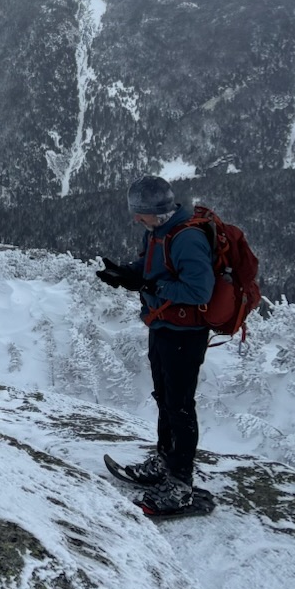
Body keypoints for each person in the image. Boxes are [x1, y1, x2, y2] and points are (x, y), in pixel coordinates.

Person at [94, 174, 216, 515]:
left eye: (140, 213)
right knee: (164, 398)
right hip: (162, 326)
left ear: (159, 210)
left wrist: (149, 285)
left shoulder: (187, 238)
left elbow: (198, 291)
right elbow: (153, 269)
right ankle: (164, 462)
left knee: (179, 405)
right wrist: (127, 273)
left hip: (184, 334)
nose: (136, 219)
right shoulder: (158, 232)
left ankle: (179, 485)